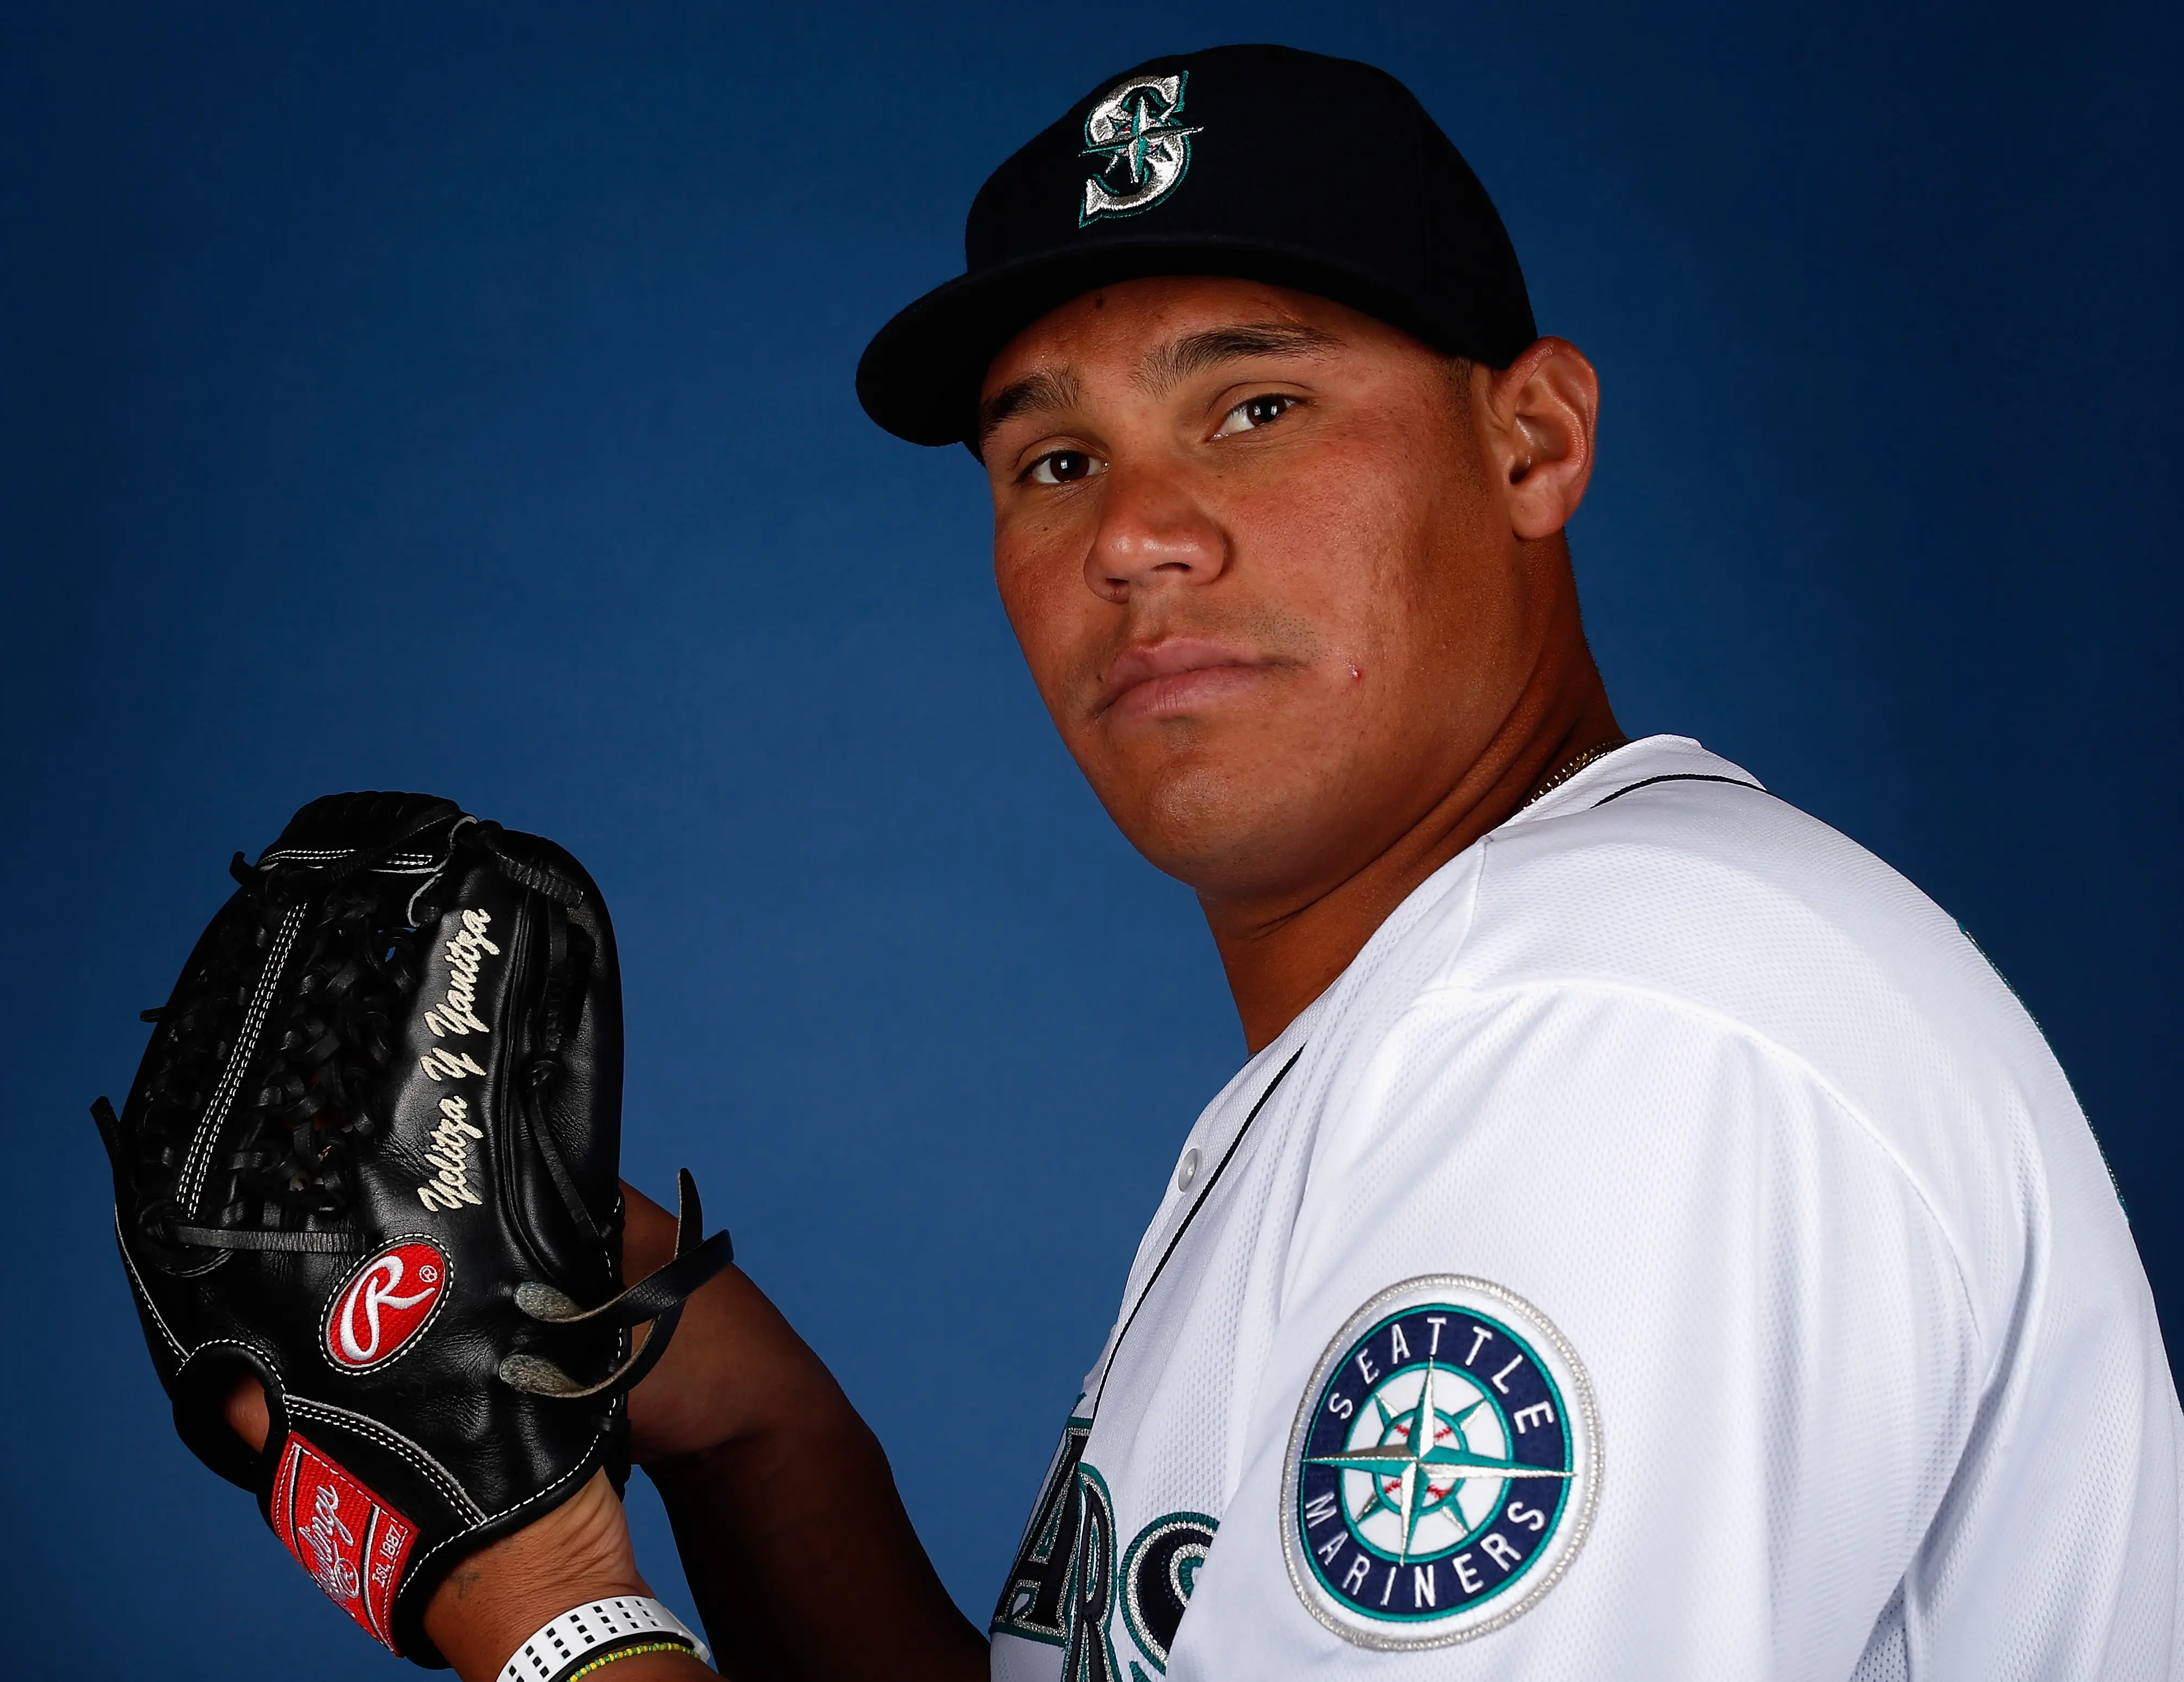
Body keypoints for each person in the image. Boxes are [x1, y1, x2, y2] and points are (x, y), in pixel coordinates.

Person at [224, 43, 2181, 1680]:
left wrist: (553, 1616)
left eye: (1256, 407)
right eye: (1052, 462)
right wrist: (759, 1438)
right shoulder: (1450, 1013)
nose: (1138, 533)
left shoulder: (1620, 1033)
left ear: (1533, 441)